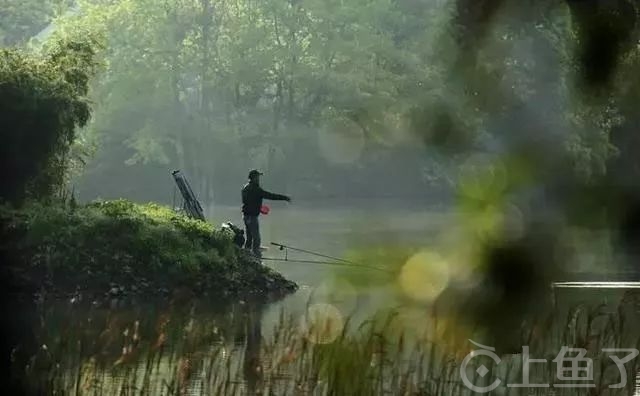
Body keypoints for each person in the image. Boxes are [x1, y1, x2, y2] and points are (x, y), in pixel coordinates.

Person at [242, 169, 291, 257]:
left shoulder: (245, 188)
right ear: (253, 178)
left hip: (246, 216)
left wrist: (257, 207)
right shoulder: (256, 189)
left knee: (249, 238)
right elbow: (271, 196)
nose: (259, 179)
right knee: (256, 239)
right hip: (252, 217)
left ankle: (246, 255)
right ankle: (257, 257)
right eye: (257, 177)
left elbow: (247, 202)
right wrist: (285, 198)